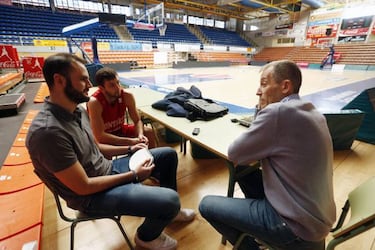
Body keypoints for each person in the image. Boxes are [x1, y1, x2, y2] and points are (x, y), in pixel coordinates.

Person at [26, 53, 194, 250]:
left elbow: (96, 147)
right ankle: (146, 237)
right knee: (171, 200)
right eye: (83, 79)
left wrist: (131, 148)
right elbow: (84, 187)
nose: (90, 84)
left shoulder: (77, 111)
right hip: (91, 197)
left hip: (108, 169)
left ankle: (170, 214)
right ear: (59, 80)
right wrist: (133, 175)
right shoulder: (48, 133)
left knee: (167, 155)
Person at [199, 60, 336, 250]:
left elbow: (235, 153)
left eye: (264, 84)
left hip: (295, 227)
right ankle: (261, 233)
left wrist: (261, 110)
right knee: (244, 170)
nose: (258, 91)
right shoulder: (310, 110)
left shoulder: (277, 111)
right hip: (316, 220)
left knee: (206, 205)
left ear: (285, 86)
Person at [87, 67, 156, 148]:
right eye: (112, 85)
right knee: (102, 148)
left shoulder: (127, 96)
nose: (118, 88)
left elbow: (137, 121)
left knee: (148, 132)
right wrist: (131, 141)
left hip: (120, 130)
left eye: (118, 83)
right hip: (104, 136)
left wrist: (140, 135)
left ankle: (152, 157)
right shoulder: (94, 102)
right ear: (102, 88)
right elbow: (100, 136)